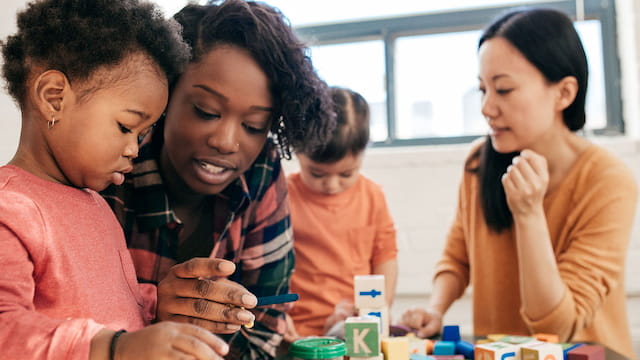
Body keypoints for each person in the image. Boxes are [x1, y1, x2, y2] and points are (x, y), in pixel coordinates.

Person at [100, 0, 336, 358]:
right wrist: (150, 315)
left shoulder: (262, 170)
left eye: (254, 126)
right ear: (165, 94)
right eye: (206, 111)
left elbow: (267, 326)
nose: (226, 142)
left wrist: (208, 337)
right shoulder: (108, 175)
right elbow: (68, 326)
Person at [399, 8, 637, 359]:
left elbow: (555, 328)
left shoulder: (607, 182)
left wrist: (528, 214)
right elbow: (458, 256)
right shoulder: (480, 162)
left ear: (564, 93)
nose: (486, 107)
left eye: (504, 89)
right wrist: (435, 309)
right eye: (482, 89)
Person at [0, 0, 230, 359]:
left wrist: (158, 305)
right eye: (125, 127)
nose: (133, 149)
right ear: (53, 98)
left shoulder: (97, 206)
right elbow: (5, 329)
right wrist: (115, 347)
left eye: (141, 134)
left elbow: (106, 309)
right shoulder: (10, 210)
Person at [285, 87, 398, 339]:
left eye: (346, 174)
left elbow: (385, 257)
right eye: (317, 173)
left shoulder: (372, 196)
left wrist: (381, 308)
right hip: (299, 333)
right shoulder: (283, 196)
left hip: (357, 329)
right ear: (298, 151)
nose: (332, 184)